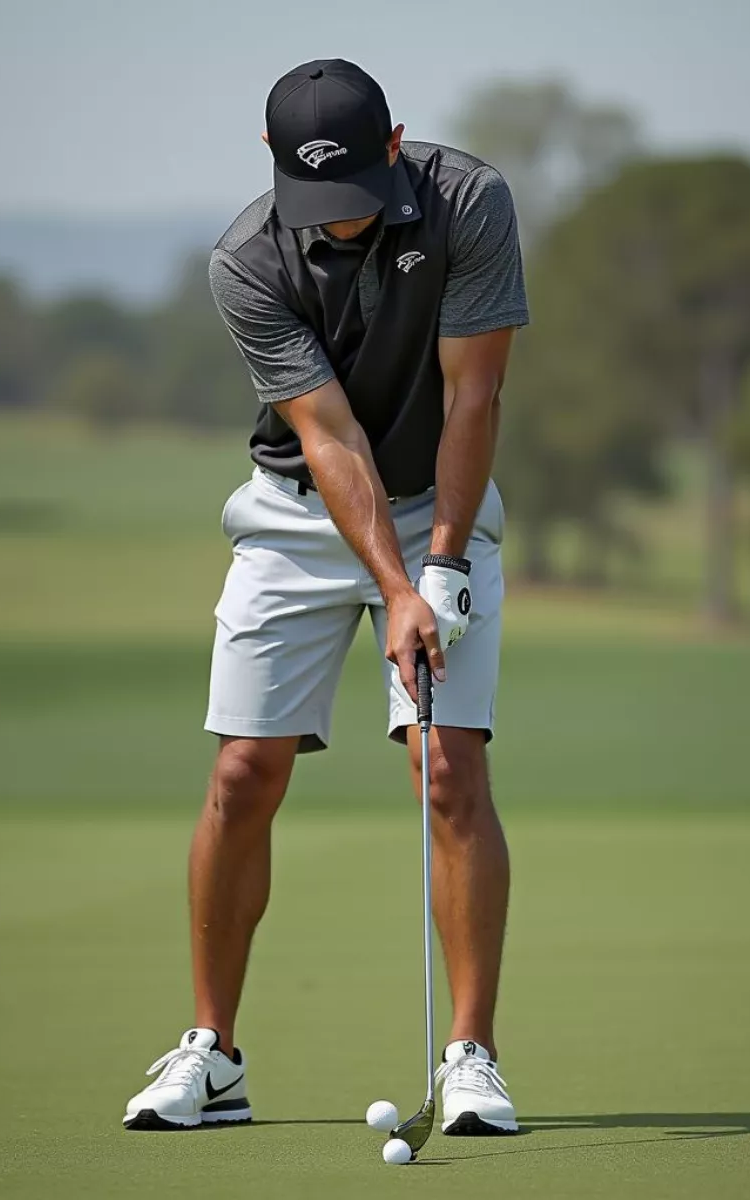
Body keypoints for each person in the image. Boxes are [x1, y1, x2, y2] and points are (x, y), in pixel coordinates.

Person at [124, 58, 528, 1136]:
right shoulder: (245, 261)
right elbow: (329, 433)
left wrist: (438, 566)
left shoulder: (469, 203)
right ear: (270, 167)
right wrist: (395, 589)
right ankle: (214, 1055)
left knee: (446, 769)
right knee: (241, 773)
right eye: (317, 201)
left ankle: (472, 1056)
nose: (338, 223)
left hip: (440, 494)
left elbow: (474, 391)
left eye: (355, 192)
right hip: (302, 508)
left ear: (394, 146)